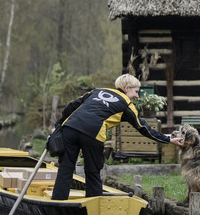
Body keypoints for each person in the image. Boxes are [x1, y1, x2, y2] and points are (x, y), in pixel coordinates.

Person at [51, 73, 183, 200]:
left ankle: (57, 204)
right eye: (136, 91)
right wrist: (168, 139)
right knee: (93, 171)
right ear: (127, 88)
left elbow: (71, 106)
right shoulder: (126, 104)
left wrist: (57, 126)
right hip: (93, 133)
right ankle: (94, 207)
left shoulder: (96, 91)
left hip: (70, 129)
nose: (137, 96)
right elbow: (144, 128)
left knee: (65, 168)